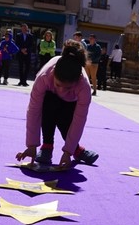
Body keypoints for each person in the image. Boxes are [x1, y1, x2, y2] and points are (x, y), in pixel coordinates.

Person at [16, 40, 99, 168]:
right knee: (49, 106)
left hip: (71, 103)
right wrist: (31, 145)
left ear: (77, 82)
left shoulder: (84, 86)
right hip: (49, 100)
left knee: (66, 122)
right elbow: (34, 110)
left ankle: (76, 150)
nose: (61, 90)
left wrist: (68, 152)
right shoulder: (44, 76)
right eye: (58, 84)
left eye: (67, 88)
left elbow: (79, 120)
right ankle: (47, 146)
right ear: (54, 73)